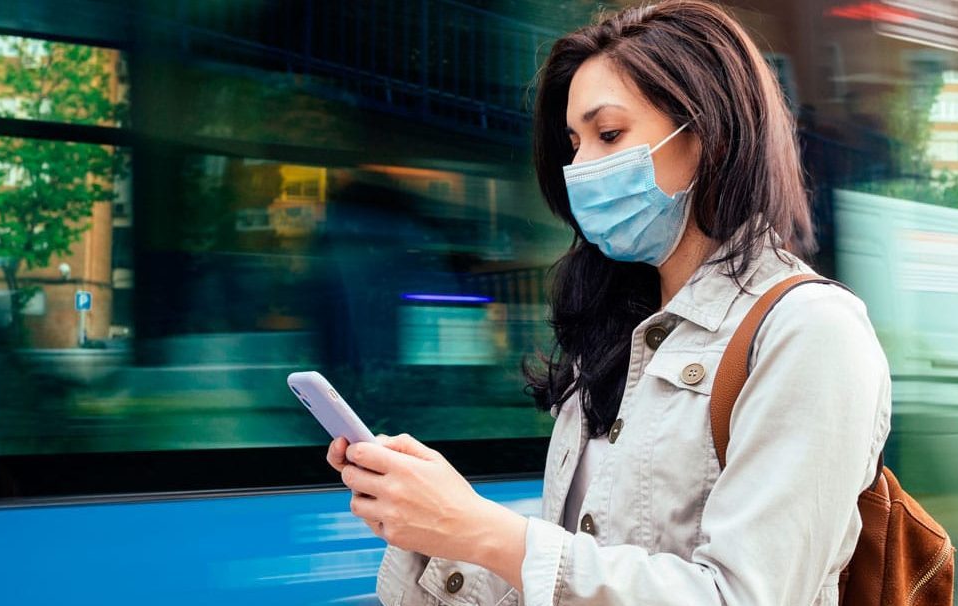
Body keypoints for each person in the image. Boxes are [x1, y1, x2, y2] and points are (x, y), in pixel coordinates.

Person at [326, 1, 891, 603]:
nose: (581, 167)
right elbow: (566, 581)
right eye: (573, 143)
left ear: (709, 134)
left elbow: (745, 595)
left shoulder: (810, 331)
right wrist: (437, 526)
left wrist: (486, 532)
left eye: (610, 134)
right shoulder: (613, 337)